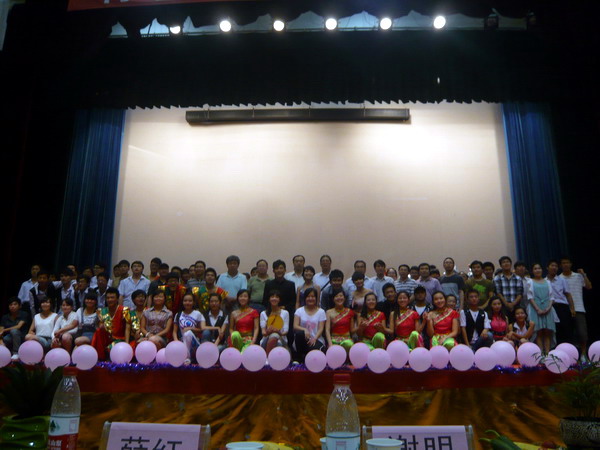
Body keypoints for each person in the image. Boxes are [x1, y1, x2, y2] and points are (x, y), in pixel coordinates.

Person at [559, 256, 592, 359]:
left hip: (579, 308)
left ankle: (583, 354)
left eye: (567, 262)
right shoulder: (559, 278)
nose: (565, 265)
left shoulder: (578, 276)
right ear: (561, 265)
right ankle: (570, 355)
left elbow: (589, 286)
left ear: (570, 264)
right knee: (568, 334)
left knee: (582, 333)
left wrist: (583, 274)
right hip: (565, 309)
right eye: (563, 263)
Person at [263, 260, 296, 343]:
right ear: (273, 270)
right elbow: (265, 300)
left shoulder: (290, 284)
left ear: (285, 270)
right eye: (277, 268)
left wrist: (283, 308)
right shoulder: (269, 284)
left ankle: (288, 346)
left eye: (281, 268)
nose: (279, 270)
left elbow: (293, 301)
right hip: (271, 312)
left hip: (286, 312)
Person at [527, 263, 556, 354]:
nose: (537, 270)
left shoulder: (548, 282)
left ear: (542, 270)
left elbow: (551, 297)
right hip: (535, 308)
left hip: (547, 308)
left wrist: (548, 308)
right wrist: (537, 309)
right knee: (538, 331)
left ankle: (547, 353)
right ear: (532, 271)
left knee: (547, 331)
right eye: (535, 269)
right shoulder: (530, 282)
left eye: (539, 268)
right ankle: (540, 353)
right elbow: (530, 297)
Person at [546, 260, 575, 345]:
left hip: (563, 307)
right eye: (552, 265)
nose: (554, 268)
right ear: (547, 268)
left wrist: (572, 308)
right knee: (555, 329)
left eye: (556, 266)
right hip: (551, 308)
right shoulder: (544, 281)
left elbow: (568, 295)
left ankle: (568, 348)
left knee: (566, 329)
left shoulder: (562, 280)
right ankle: (557, 349)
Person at [293, 287, 326, 363]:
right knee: (299, 333)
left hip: (316, 339)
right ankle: (299, 359)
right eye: (308, 296)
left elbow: (321, 328)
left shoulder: (321, 312)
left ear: (316, 298)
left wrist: (314, 338)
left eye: (313, 296)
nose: (310, 298)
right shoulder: (299, 311)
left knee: (315, 354)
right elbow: (295, 326)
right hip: (302, 340)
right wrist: (305, 330)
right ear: (305, 298)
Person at [173, 293, 203, 361]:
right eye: (185, 301)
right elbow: (174, 331)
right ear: (182, 302)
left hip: (194, 342)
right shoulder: (178, 314)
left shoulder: (197, 314)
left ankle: (187, 357)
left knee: (188, 333)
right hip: (182, 341)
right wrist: (176, 341)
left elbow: (201, 329)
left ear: (193, 302)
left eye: (190, 301)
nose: (187, 303)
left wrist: (191, 328)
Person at [260, 290, 290, 355]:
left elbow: (285, 331)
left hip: (280, 340)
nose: (274, 299)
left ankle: (268, 358)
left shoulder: (285, 313)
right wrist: (268, 331)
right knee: (273, 335)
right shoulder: (263, 313)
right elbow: (263, 332)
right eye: (272, 297)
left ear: (279, 300)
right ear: (269, 299)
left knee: (275, 335)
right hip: (266, 340)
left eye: (276, 297)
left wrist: (277, 331)